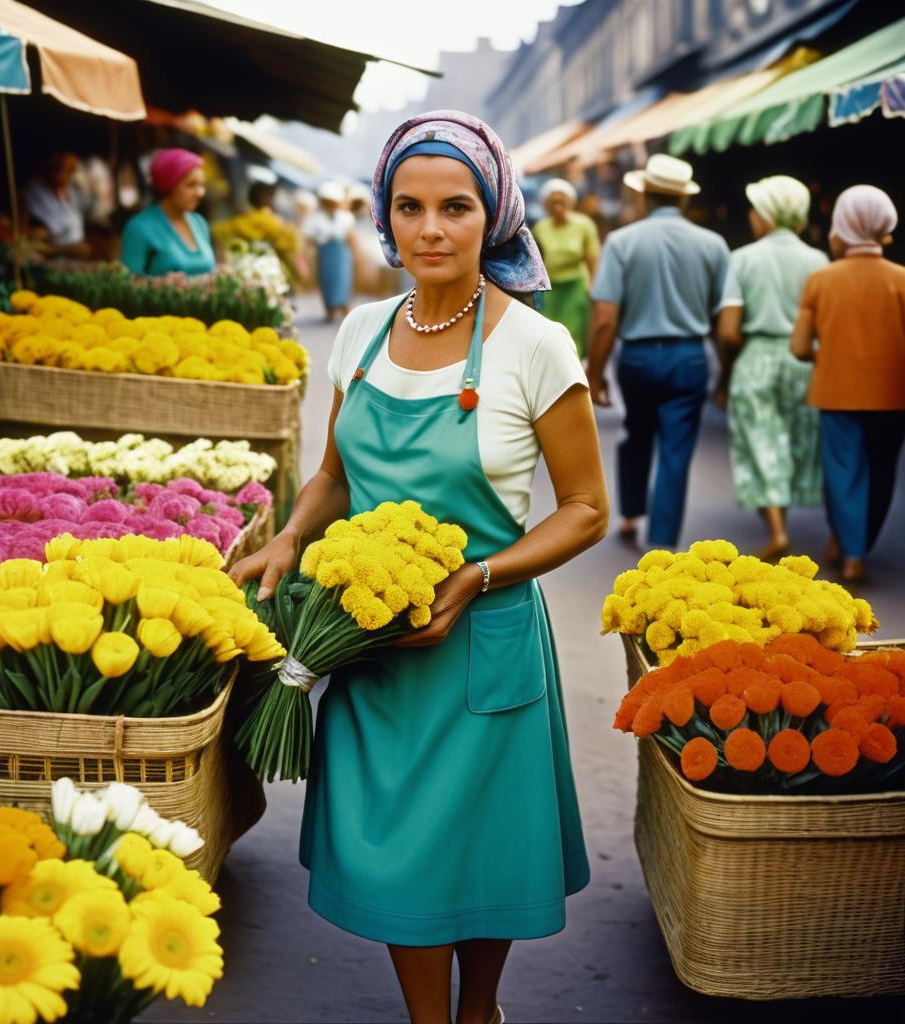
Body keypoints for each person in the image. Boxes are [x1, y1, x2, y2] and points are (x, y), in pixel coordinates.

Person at [230, 109, 608, 1024]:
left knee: (479, 849)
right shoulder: (359, 332)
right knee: (396, 848)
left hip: (481, 638)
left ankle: (479, 1007)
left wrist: (476, 576)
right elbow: (331, 474)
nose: (431, 229)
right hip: (369, 645)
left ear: (495, 217)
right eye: (409, 207)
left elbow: (587, 508)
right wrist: (287, 535)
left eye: (456, 207)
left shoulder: (533, 345)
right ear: (384, 217)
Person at [586, 153, 729, 549]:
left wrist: (594, 375)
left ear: (646, 194)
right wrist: (727, 376)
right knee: (676, 450)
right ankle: (662, 543)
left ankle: (631, 514)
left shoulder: (622, 241)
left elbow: (604, 317)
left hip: (637, 357)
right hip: (689, 357)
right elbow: (725, 319)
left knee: (637, 431)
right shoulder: (713, 244)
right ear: (683, 199)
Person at [790, 185, 905, 583]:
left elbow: (799, 346)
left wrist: (828, 356)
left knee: (842, 471)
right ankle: (856, 542)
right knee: (881, 471)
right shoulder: (901, 280)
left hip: (835, 392)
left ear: (841, 227)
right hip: (894, 395)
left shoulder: (821, 280)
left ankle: (850, 550)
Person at [716, 175, 828, 561]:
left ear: (767, 215)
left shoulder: (743, 258)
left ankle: (777, 530)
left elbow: (729, 331)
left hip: (757, 357)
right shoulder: (818, 260)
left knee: (763, 440)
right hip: (804, 361)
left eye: (755, 209)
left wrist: (725, 375)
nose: (750, 216)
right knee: (796, 441)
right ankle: (808, 525)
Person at [532, 178, 600, 358]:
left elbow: (592, 257)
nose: (558, 206)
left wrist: (593, 286)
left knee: (573, 332)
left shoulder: (583, 224)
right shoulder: (541, 227)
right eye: (553, 202)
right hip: (550, 289)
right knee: (549, 333)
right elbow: (536, 260)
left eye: (562, 202)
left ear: (570, 203)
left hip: (575, 286)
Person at [121, 149, 215, 277]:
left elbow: (209, 271)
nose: (200, 193)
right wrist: (162, 284)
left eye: (201, 185)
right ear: (169, 185)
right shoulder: (139, 227)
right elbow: (128, 283)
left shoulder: (199, 223)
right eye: (191, 185)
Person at [302, 181, 355, 321]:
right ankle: (331, 310)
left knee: (343, 280)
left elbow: (350, 238)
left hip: (341, 253)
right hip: (325, 253)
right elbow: (308, 238)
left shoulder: (345, 217)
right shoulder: (315, 219)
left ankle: (343, 307)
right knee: (327, 281)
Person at [23, 152, 90, 257]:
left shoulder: (72, 191)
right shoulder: (34, 190)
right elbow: (43, 230)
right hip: (51, 254)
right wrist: (66, 249)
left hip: (75, 254)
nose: (67, 175)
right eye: (60, 169)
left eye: (71, 171)